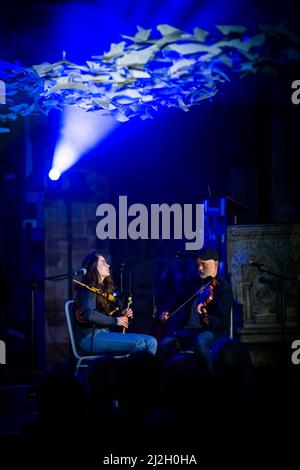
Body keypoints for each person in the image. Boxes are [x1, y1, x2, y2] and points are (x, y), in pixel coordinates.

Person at [158, 247, 233, 370]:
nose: (200, 268)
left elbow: (222, 322)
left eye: (204, 265)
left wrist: (206, 316)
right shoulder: (195, 284)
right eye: (198, 264)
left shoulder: (223, 288)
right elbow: (179, 300)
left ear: (216, 264)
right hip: (190, 330)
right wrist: (168, 312)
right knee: (164, 344)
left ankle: (209, 378)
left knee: (201, 341)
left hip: (212, 331)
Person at [73, 251, 157, 356]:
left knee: (151, 341)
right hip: (90, 338)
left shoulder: (102, 290)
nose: (108, 265)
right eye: (103, 262)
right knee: (144, 342)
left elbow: (102, 313)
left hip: (103, 334)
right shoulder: (89, 289)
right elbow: (89, 314)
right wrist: (116, 320)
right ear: (94, 267)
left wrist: (121, 314)